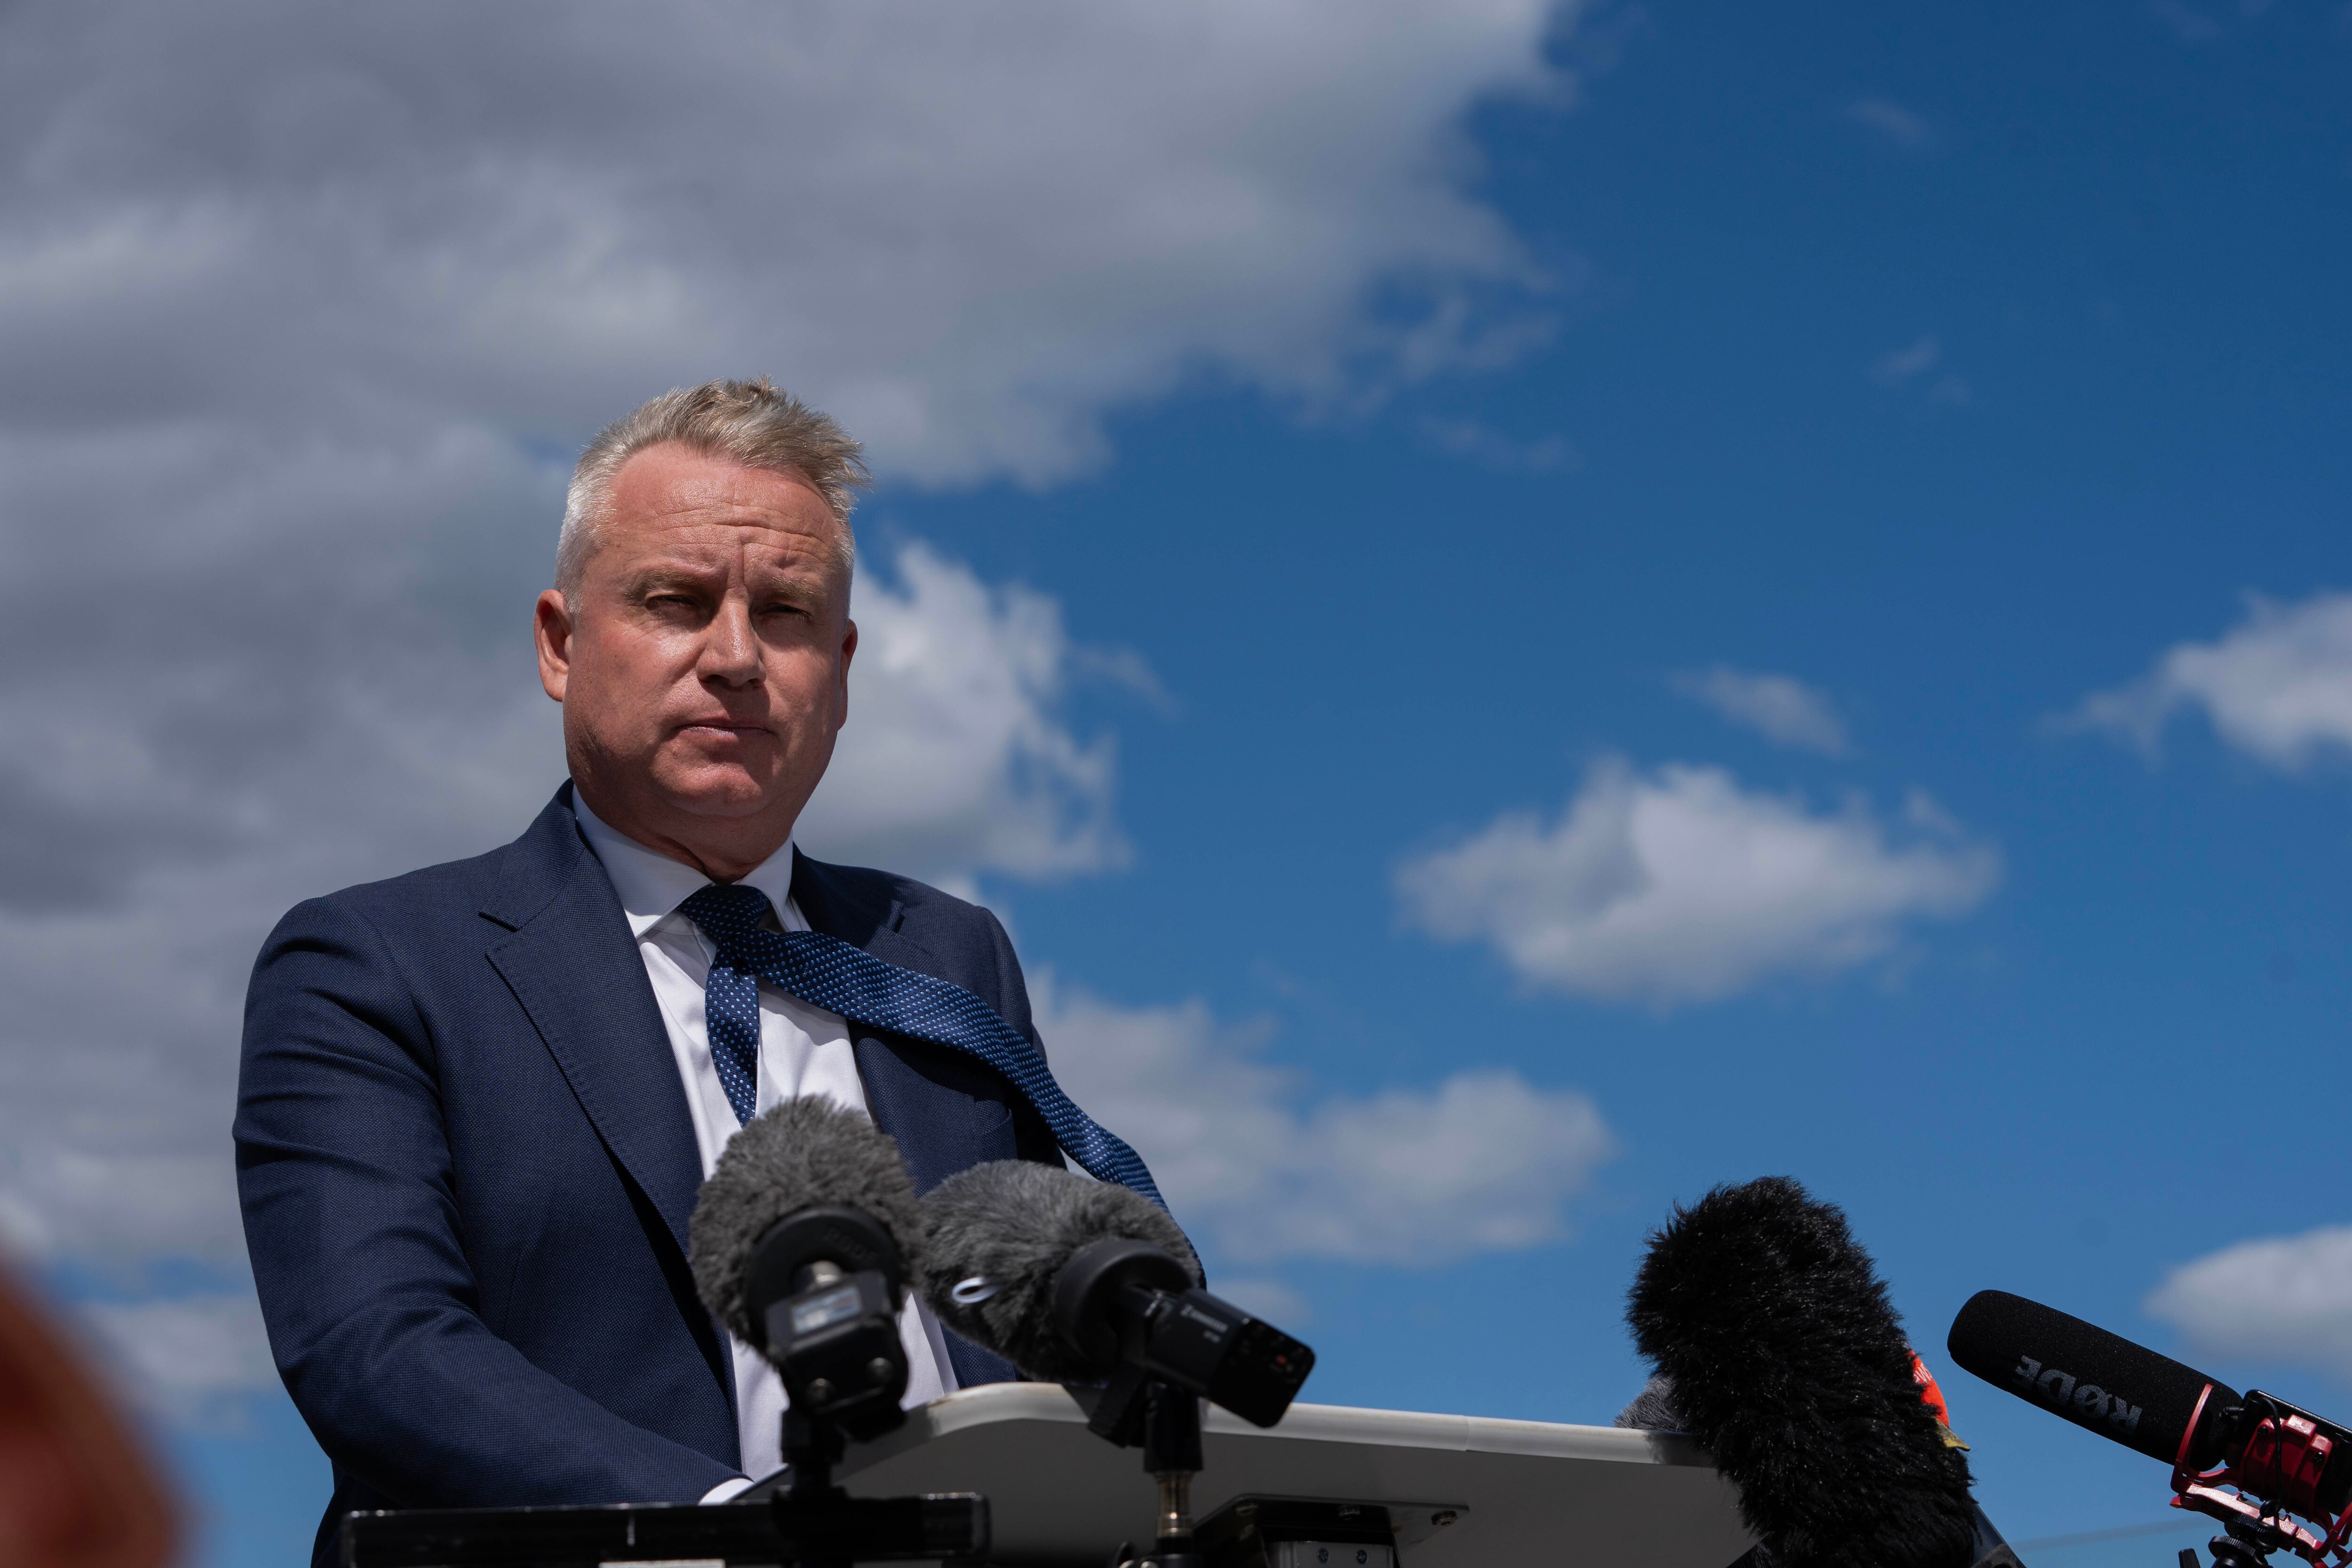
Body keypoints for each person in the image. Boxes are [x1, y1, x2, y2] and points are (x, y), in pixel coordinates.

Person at [235, 379, 1152, 1566]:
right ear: (561, 643)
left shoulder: (946, 953)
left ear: (841, 667)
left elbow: (1026, 1321)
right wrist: (734, 1532)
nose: (736, 656)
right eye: (675, 601)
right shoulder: (376, 966)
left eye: (785, 613)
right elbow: (375, 1350)